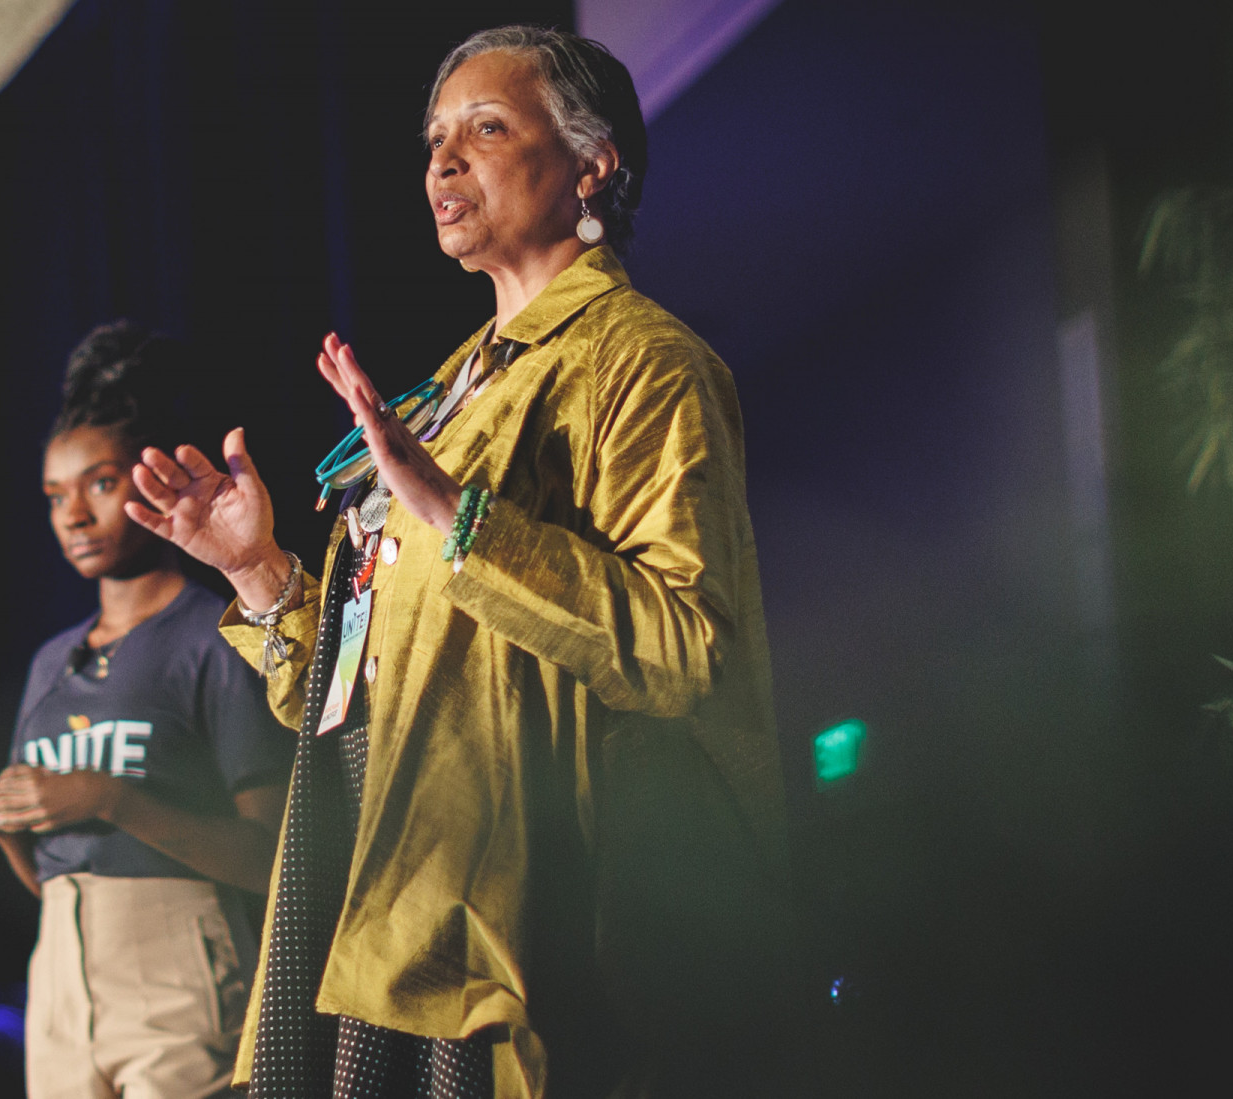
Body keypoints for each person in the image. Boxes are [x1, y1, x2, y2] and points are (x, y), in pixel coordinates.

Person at [124, 26, 792, 1099]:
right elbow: (359, 697)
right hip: (377, 907)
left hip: (532, 929)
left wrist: (449, 510)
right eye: (436, 138)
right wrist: (259, 574)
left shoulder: (644, 362)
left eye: (486, 128)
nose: (443, 162)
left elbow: (684, 650)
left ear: (593, 163)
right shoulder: (439, 397)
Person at [0, 322, 296, 1099]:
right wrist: (13, 832)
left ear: (150, 480)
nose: (73, 516)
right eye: (55, 495)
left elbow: (270, 857)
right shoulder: (50, 662)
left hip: (181, 972)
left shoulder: (212, 633)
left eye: (99, 483)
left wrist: (106, 796)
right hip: (60, 977)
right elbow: (60, 868)